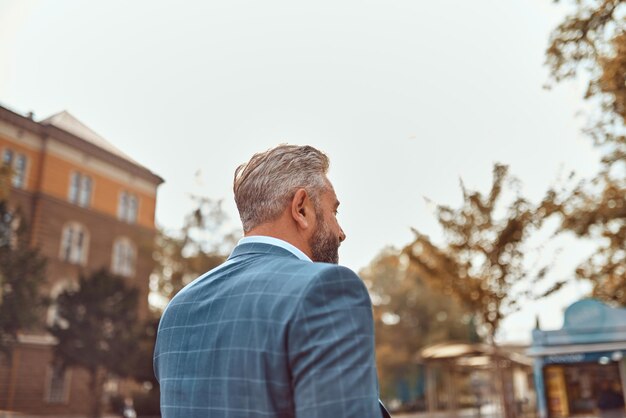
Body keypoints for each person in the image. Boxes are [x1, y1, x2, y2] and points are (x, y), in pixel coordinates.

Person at [154, 145, 390, 417]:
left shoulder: (177, 309)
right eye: (334, 212)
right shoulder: (328, 289)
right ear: (301, 208)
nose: (341, 232)